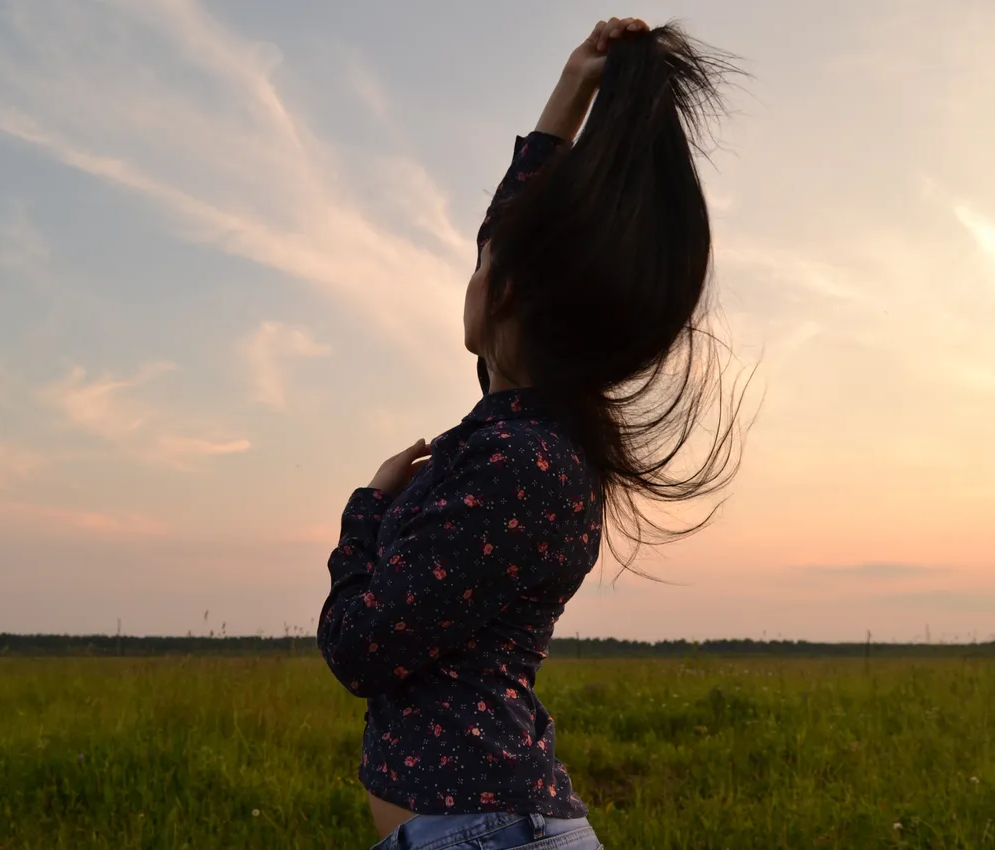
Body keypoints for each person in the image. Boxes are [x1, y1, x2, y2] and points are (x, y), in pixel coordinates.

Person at [317, 16, 743, 850]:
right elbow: (510, 231)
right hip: (485, 827)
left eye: (485, 263)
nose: (473, 265)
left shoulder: (517, 463)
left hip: (481, 834)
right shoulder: (533, 432)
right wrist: (574, 87)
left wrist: (365, 510)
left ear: (507, 294)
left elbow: (362, 649)